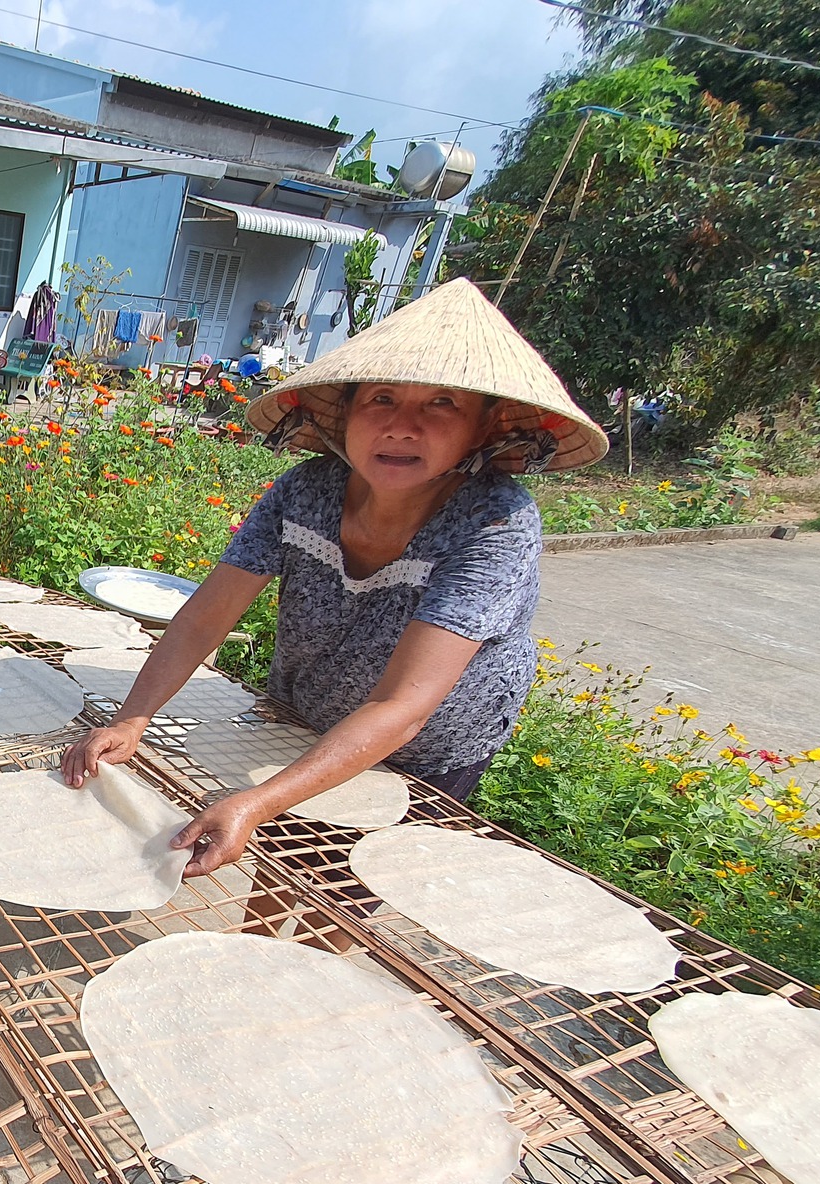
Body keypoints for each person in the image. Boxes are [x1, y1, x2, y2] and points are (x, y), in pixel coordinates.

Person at [61, 277, 609, 877]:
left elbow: (404, 707)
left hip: (422, 751)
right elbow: (206, 617)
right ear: (344, 415)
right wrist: (133, 718)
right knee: (278, 865)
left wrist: (256, 800)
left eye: (442, 404)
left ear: (484, 428)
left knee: (348, 885)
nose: (403, 426)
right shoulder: (305, 493)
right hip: (306, 711)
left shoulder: (494, 522)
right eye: (381, 399)